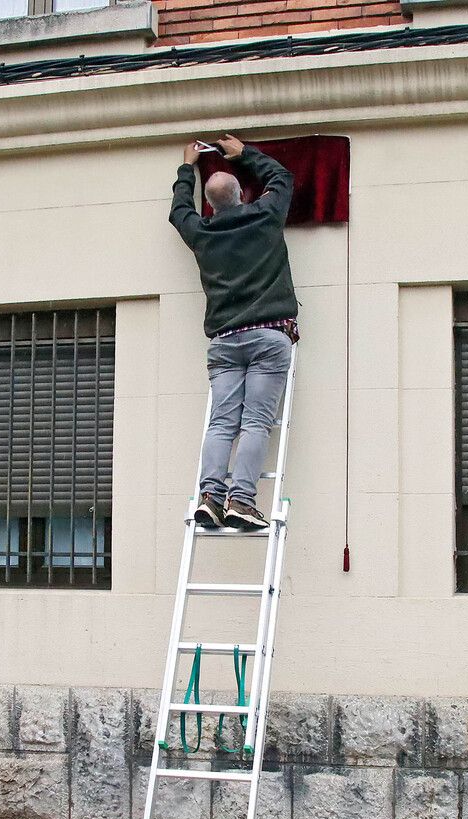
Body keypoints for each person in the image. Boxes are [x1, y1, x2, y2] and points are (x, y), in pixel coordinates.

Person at [170, 134, 298, 532]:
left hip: (225, 342)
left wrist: (186, 167)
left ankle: (211, 497)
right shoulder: (265, 216)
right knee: (256, 422)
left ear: (210, 204)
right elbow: (282, 177)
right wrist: (246, 154)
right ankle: (242, 501)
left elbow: (179, 213)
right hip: (268, 338)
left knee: (222, 423)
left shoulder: (203, 234)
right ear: (242, 193)